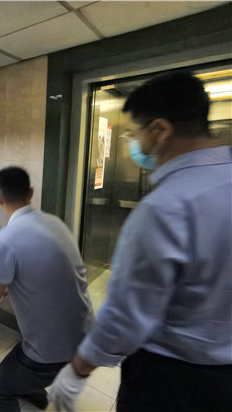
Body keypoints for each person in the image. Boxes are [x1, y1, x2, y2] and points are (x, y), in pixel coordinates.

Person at [49, 72, 232, 412]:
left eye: (134, 132)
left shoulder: (166, 207)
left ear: (160, 130)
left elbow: (126, 317)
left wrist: (78, 369)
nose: (133, 142)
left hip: (173, 382)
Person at [0, 166, 94, 412]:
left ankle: (30, 388)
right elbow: (36, 274)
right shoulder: (57, 224)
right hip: (86, 337)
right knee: (20, 362)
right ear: (31, 193)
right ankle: (38, 396)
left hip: (53, 351)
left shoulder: (6, 239)